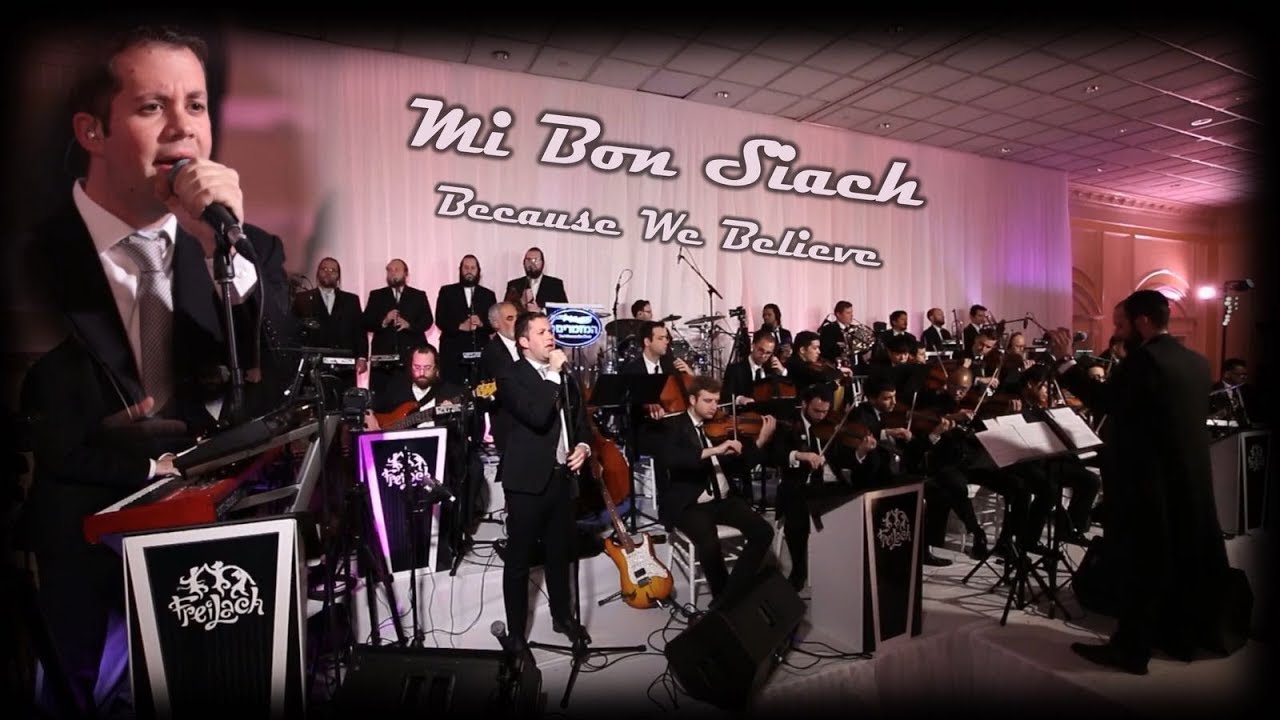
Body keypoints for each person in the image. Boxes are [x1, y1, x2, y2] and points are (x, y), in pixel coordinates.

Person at [15, 25, 292, 717]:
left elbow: (273, 371)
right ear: (93, 131)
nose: (183, 128)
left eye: (195, 106)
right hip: (81, 538)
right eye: (151, 107)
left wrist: (218, 250)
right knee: (77, 684)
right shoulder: (29, 254)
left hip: (190, 536)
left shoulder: (246, 248)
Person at [1049, 290, 1231, 674]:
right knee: (1175, 561)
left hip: (1147, 485)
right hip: (1187, 481)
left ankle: (1130, 650)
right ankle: (1174, 634)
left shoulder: (1145, 361)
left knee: (1142, 566)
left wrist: (1065, 362)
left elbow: (1105, 400)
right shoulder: (1196, 362)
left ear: (1142, 321)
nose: (1116, 332)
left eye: (1120, 324)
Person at [497, 312, 593, 657]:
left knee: (560, 553)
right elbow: (537, 416)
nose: (550, 335)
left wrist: (583, 446)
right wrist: (553, 373)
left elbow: (580, 420)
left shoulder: (565, 375)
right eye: (541, 332)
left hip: (562, 478)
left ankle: (562, 616)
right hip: (526, 482)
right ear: (524, 341)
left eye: (550, 330)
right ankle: (516, 634)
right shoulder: (510, 376)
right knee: (519, 560)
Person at [657, 376, 777, 608]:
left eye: (717, 401)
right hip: (690, 503)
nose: (714, 406)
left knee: (763, 531)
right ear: (693, 400)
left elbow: (742, 467)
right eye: (708, 401)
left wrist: (761, 440)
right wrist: (715, 450)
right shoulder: (673, 426)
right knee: (709, 542)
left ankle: (731, 594)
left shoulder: (721, 426)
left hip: (724, 500)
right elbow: (672, 459)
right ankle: (724, 602)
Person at [291, 256, 366, 394]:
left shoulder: (351, 300)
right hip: (314, 364)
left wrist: (362, 357)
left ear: (338, 276)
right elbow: (294, 331)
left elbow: (359, 330)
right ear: (317, 272)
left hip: (344, 363)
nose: (328, 273)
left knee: (344, 400)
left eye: (333, 270)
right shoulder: (303, 299)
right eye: (324, 269)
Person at [362, 258, 433, 397]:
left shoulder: (418, 295)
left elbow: (428, 321)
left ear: (406, 273)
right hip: (383, 359)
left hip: (410, 357)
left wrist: (409, 325)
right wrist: (384, 320)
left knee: (409, 397)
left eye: (396, 270)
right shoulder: (376, 295)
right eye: (389, 270)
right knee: (382, 398)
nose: (393, 273)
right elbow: (366, 322)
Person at [435, 254, 496, 387]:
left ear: (478, 271)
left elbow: (494, 325)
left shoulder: (488, 295)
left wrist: (481, 323)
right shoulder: (447, 291)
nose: (469, 271)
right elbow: (440, 320)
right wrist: (460, 326)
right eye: (466, 268)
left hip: (480, 351)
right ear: (460, 270)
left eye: (473, 268)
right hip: (452, 353)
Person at [504, 247, 567, 313]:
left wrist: (540, 311)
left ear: (542, 263)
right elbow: (505, 311)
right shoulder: (514, 285)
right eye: (528, 260)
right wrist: (522, 302)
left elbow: (562, 312)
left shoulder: (555, 285)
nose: (531, 263)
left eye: (535, 260)